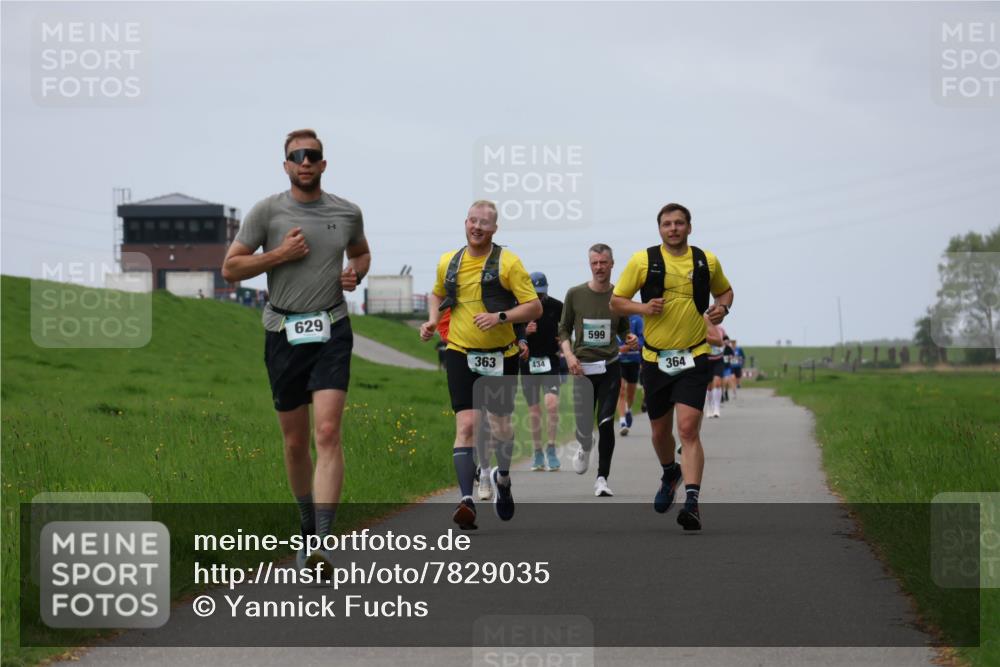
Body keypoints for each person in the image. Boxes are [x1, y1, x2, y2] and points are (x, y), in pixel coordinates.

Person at [221, 128, 371, 570]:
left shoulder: (347, 212)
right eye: (296, 156)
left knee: (327, 433)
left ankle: (323, 542)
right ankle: (307, 525)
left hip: (331, 327)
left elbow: (362, 254)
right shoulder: (266, 212)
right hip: (283, 331)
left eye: (313, 156)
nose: (305, 162)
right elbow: (230, 268)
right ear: (285, 165)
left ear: (324, 164)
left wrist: (354, 273)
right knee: (294, 442)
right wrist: (278, 256)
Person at [610, 202, 733, 531]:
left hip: (694, 355)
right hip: (654, 360)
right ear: (660, 229)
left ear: (689, 228)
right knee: (659, 432)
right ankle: (670, 472)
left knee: (689, 429)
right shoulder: (643, 261)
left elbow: (725, 292)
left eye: (679, 223)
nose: (674, 228)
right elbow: (617, 301)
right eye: (667, 224)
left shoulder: (706, 261)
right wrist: (643, 307)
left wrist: (723, 309)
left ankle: (692, 502)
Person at [419, 201, 541, 529]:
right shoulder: (449, 261)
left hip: (501, 355)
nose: (477, 227)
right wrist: (432, 321)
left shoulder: (509, 263)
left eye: (484, 223)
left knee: (501, 426)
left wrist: (499, 316)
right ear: (465, 222)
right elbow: (436, 294)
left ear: (494, 229)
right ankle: (466, 500)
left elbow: (534, 308)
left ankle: (502, 478)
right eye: (473, 221)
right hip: (460, 352)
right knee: (467, 425)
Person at [559, 244, 636, 498]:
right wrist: (569, 356)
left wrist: (630, 337)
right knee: (584, 426)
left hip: (610, 367)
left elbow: (625, 328)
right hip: (581, 369)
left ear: (612, 264)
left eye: (604, 262)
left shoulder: (619, 296)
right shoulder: (575, 294)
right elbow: (563, 330)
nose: (599, 267)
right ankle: (583, 444)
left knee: (605, 423)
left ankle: (602, 478)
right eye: (595, 263)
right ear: (589, 265)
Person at [520, 272, 564, 472]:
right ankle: (538, 452)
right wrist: (523, 333)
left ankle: (552, 448)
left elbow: (567, 328)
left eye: (541, 294)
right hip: (528, 363)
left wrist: (563, 340)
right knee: (535, 411)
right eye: (535, 294)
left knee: (552, 403)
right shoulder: (519, 307)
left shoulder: (557, 306)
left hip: (550, 362)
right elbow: (508, 333)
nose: (539, 297)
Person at [617, 314, 644, 436]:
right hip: (618, 361)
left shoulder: (637, 320)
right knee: (621, 390)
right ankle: (622, 422)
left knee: (630, 394)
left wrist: (628, 347)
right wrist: (618, 349)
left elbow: (642, 340)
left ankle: (628, 409)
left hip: (634, 360)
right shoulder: (613, 317)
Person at [704, 325, 727, 418]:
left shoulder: (721, 329)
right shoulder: (703, 328)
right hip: (707, 359)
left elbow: (725, 340)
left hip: (718, 359)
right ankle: (709, 406)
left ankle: (717, 408)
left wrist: (724, 344)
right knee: (709, 386)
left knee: (717, 382)